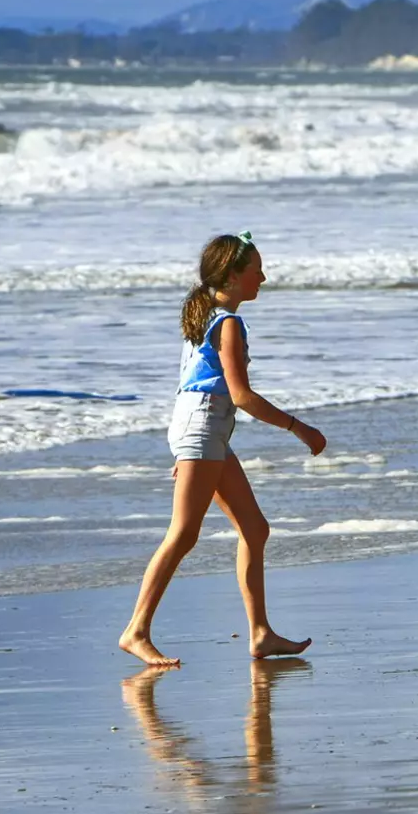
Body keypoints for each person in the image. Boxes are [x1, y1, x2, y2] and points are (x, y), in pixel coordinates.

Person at [118, 233, 326, 669]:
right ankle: (136, 630)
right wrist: (299, 428)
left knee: (255, 528)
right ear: (232, 276)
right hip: (202, 430)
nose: (263, 279)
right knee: (183, 534)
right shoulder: (227, 323)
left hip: (203, 430)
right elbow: (242, 396)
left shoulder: (209, 315)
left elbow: (193, 388)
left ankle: (261, 633)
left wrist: (187, 449)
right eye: (255, 272)